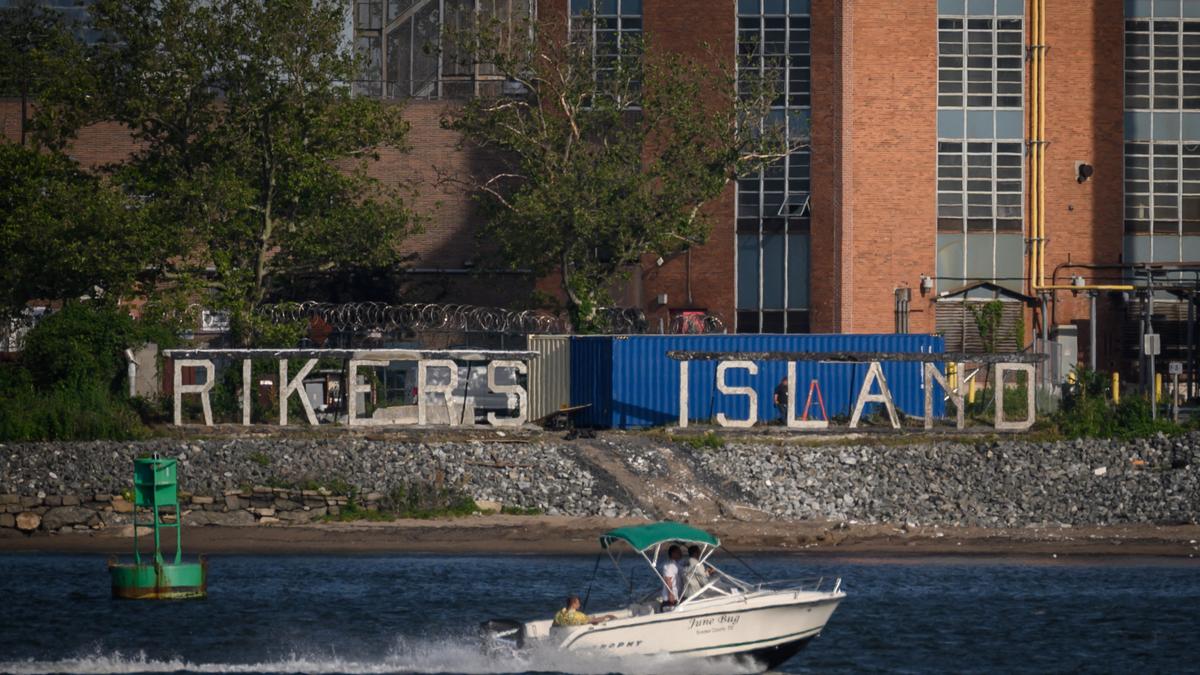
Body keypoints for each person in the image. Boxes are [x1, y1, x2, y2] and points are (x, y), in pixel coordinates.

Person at [659, 545, 684, 610]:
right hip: (670, 599)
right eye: (678, 552)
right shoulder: (670, 565)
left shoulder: (676, 564)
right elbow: (668, 579)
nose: (681, 553)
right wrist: (671, 594)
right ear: (673, 553)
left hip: (676, 597)